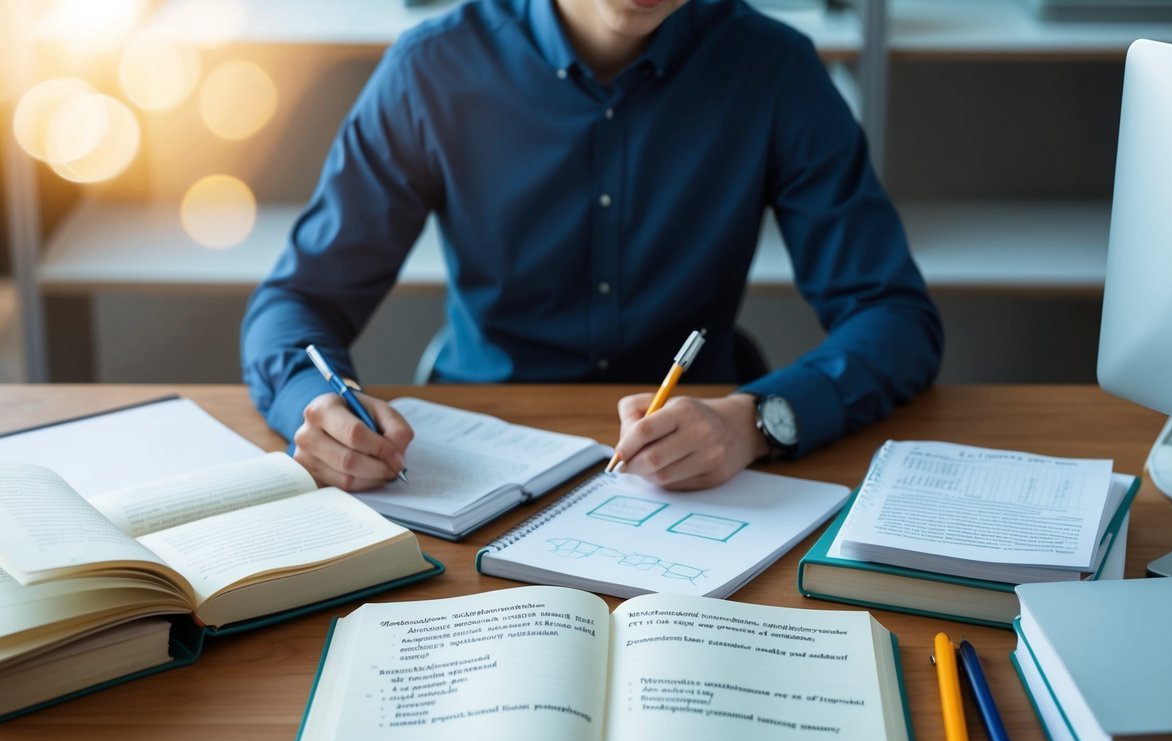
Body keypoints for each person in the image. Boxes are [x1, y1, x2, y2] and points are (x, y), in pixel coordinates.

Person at [240, 0, 943, 493]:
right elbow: (298, 300)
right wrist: (317, 404)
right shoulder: (434, 68)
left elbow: (892, 317)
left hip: (706, 462)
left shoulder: (773, 69)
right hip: (474, 461)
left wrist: (756, 421)